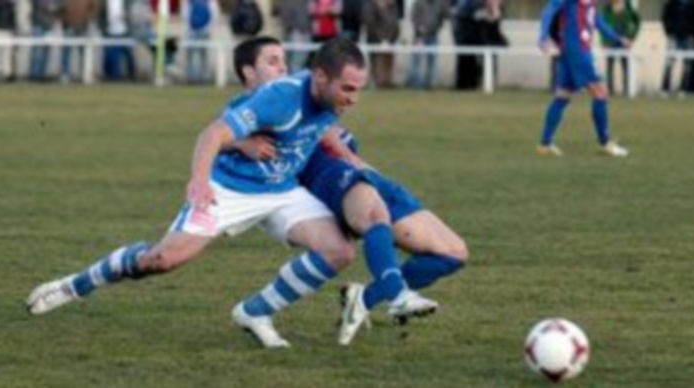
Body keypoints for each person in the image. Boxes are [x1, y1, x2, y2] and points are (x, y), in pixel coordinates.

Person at [26, 38, 416, 350]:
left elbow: (323, 133)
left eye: (359, 89)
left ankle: (255, 312)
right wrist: (199, 181)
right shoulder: (280, 98)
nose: (353, 98)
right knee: (161, 260)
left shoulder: (329, 97)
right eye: (347, 88)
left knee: (339, 250)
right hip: (229, 190)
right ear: (319, 77)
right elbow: (212, 134)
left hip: (281, 190)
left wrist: (358, 165)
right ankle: (74, 286)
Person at [230, 37, 457, 346]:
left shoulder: (307, 93)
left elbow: (329, 125)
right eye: (271, 62)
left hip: (362, 173)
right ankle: (397, 294)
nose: (282, 67)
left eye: (283, 59)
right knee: (372, 216)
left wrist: (358, 161)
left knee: (452, 253)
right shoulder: (251, 107)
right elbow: (218, 135)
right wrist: (243, 144)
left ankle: (362, 298)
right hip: (330, 176)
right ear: (248, 74)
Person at [536, 0, 630, 157]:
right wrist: (543, 36)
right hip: (577, 50)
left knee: (563, 95)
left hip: (571, 50)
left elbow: (595, 19)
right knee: (600, 93)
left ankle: (545, 144)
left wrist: (618, 38)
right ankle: (605, 143)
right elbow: (550, 8)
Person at [660, 0, 694, 98]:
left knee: (687, 66)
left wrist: (692, 33)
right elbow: (665, 18)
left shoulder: (693, 6)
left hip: (688, 37)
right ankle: (665, 89)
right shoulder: (671, 4)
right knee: (669, 63)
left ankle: (683, 90)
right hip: (674, 36)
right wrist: (669, 31)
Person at [601, 0, 640, 96]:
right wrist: (604, 41)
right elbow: (602, 25)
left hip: (624, 40)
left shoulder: (628, 7)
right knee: (610, 66)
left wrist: (631, 37)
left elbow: (637, 21)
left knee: (625, 66)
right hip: (611, 41)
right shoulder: (607, 8)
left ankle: (627, 89)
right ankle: (610, 90)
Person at [407, 0, 450, 89]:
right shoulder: (418, 3)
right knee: (417, 61)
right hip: (419, 37)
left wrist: (438, 26)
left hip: (433, 36)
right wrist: (419, 29)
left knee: (432, 61)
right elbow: (413, 18)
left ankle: (428, 84)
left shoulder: (440, 4)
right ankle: (416, 85)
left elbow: (446, 15)